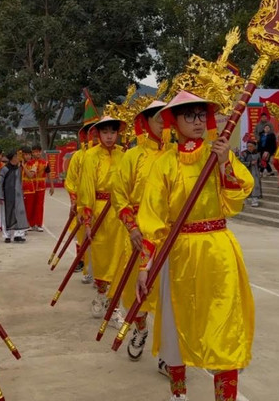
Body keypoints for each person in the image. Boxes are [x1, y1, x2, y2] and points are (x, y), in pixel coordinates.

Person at [138, 91, 255, 401]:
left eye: (202, 114)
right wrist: (145, 264)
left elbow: (236, 198)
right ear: (174, 122)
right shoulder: (164, 163)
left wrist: (223, 164)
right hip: (177, 252)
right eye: (189, 115)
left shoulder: (218, 154)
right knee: (176, 322)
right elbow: (151, 216)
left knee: (224, 324)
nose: (198, 121)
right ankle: (178, 393)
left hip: (218, 251)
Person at [111, 100, 168, 362]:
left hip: (169, 234)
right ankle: (141, 330)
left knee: (169, 294)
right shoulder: (133, 156)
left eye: (168, 118)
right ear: (145, 123)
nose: (165, 124)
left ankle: (169, 352)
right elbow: (119, 195)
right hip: (139, 234)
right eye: (159, 119)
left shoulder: (177, 154)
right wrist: (132, 227)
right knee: (138, 290)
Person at [78, 116, 128, 322]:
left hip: (120, 213)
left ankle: (114, 306)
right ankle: (101, 295)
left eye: (112, 132)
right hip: (100, 211)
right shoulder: (91, 156)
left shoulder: (123, 155)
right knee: (102, 260)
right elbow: (86, 188)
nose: (109, 136)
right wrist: (87, 220)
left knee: (120, 260)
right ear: (98, 134)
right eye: (105, 132)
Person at [64, 122, 98, 281]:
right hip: (84, 202)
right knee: (84, 235)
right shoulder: (79, 156)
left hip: (104, 204)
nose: (95, 137)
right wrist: (74, 201)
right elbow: (70, 181)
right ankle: (85, 265)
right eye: (92, 133)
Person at [0, 150, 29, 243]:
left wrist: (21, 193)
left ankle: (18, 234)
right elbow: (0, 183)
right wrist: (0, 196)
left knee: (19, 214)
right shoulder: (4, 169)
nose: (17, 159)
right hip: (6, 196)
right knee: (6, 215)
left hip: (17, 196)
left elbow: (19, 182)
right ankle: (6, 235)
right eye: (16, 157)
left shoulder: (18, 169)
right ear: (12, 158)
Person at [27, 145, 54, 231]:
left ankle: (38, 224)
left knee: (39, 206)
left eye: (38, 151)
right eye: (35, 152)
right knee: (30, 205)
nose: (37, 153)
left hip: (41, 187)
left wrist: (52, 186)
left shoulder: (45, 163)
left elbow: (49, 174)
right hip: (31, 187)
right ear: (32, 153)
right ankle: (30, 224)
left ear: (41, 152)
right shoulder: (29, 163)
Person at [240, 140, 262, 206]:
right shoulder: (244, 153)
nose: (249, 148)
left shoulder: (257, 153)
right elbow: (240, 162)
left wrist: (261, 169)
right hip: (246, 172)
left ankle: (254, 200)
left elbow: (260, 163)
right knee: (246, 185)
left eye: (251, 146)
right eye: (248, 146)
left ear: (254, 146)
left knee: (256, 185)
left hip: (255, 172)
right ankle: (244, 200)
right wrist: (249, 163)